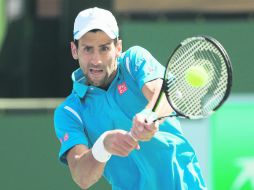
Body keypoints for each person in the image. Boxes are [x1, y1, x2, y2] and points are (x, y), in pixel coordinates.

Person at [54, 7, 207, 190]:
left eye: (104, 49)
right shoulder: (70, 112)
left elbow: (163, 93)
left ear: (118, 48)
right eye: (88, 49)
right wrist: (103, 146)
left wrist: (150, 115)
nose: (96, 60)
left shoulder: (133, 61)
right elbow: (82, 177)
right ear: (74, 50)